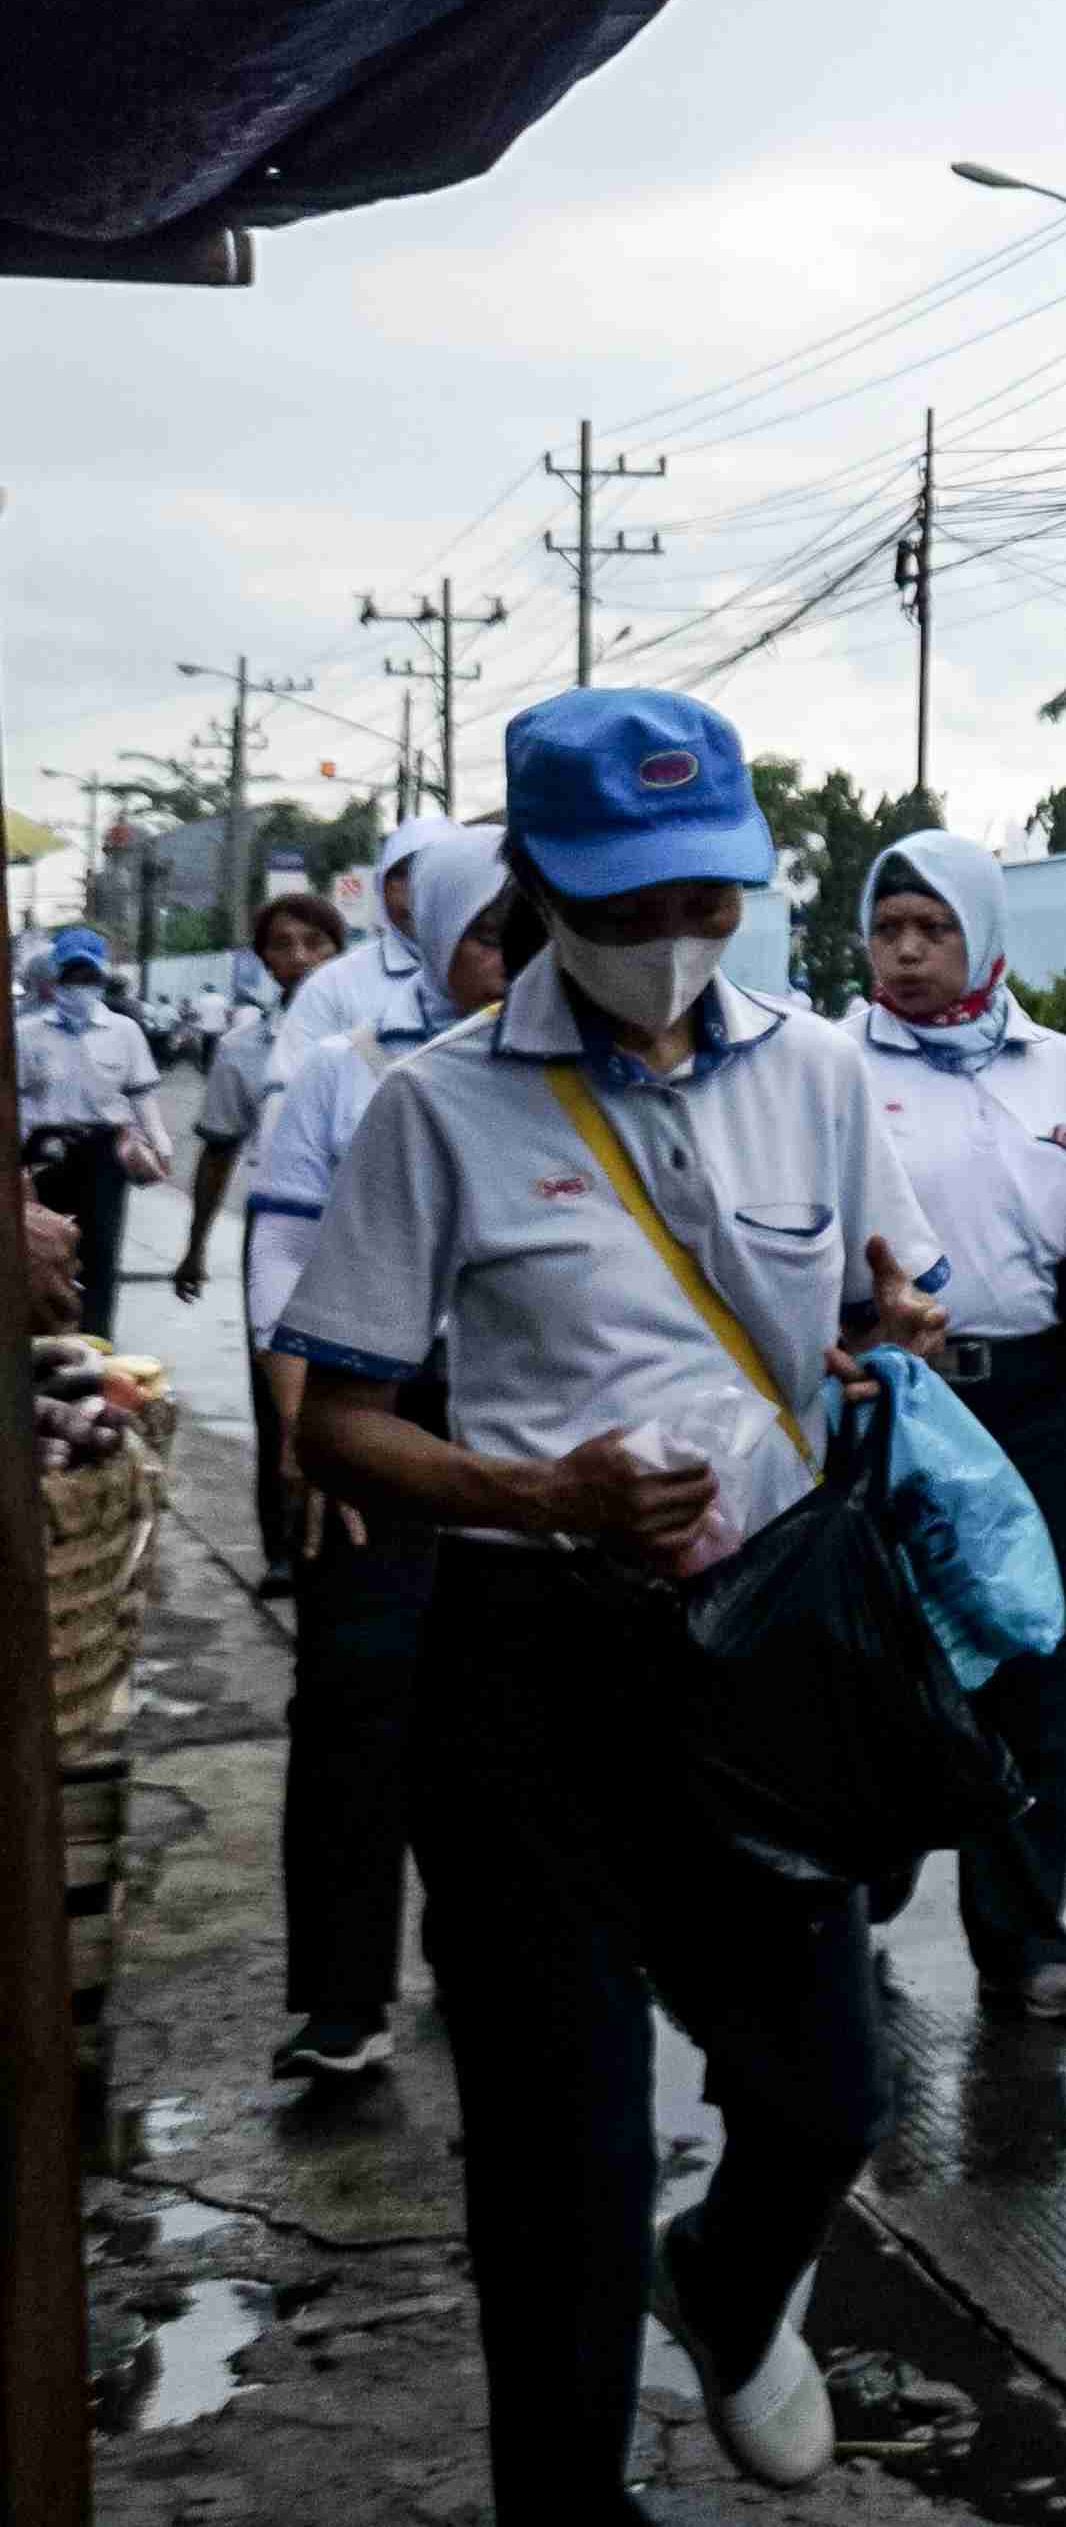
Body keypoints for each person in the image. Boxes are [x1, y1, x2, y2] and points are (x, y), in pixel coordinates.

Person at [276, 687, 951, 2517]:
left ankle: (732, 2280)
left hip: (765, 1663)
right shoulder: (437, 1108)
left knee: (824, 2090)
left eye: (705, 902)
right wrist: (539, 1490)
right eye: (630, 904)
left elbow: (876, 1313)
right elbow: (338, 1420)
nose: (671, 941)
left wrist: (893, 1339)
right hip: (523, 1675)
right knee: (560, 2171)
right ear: (543, 881)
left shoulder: (817, 1070)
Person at [852, 827, 1066, 2028]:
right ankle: (862, 1892)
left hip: (1042, 1396)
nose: (911, 952)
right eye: (890, 930)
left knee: (1034, 1663)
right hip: (892, 1404)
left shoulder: (1062, 1072)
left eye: (934, 929)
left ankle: (1027, 1936)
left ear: (981, 935)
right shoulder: (831, 1066)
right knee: (884, 1659)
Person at [234, 831, 516, 2089]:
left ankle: (492, 1956)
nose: (521, 957)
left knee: (511, 1708)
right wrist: (312, 1443)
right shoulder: (347, 1074)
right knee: (354, 1699)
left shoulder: (584, 1074)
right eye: (494, 931)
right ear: (437, 933)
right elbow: (284, 1266)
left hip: (531, 1417)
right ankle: (345, 1998)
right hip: (375, 1408)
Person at [177, 888, 352, 1584]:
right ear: (262, 960)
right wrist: (194, 1246)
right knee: (276, 1394)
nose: (301, 957)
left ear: (342, 952)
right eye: (283, 944)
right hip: (279, 1233)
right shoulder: (244, 1049)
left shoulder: (378, 1033)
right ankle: (280, 1547)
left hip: (360, 1232)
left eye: (316, 942)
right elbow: (219, 1151)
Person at [16, 926, 168, 1338]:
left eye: (89, 978)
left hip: (103, 1154)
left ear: (101, 979)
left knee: (99, 1257)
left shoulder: (124, 1032)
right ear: (56, 978)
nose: (80, 986)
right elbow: (14, 1102)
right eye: (72, 977)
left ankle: (97, 1348)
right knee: (43, 1253)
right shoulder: (28, 1034)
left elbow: (141, 1094)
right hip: (44, 1151)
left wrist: (160, 1144)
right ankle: (49, 1349)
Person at [276, 812, 461, 1065]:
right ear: (380, 885)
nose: (417, 887)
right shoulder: (331, 986)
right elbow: (288, 1094)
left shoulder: (510, 977)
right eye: (400, 875)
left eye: (436, 870)